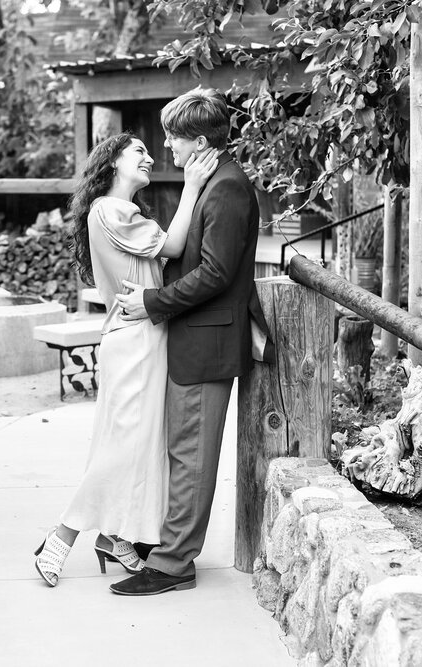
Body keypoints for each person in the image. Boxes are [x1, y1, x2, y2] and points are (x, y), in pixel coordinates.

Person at [33, 132, 220, 587]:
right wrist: (192, 187)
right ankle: (61, 536)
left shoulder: (115, 212)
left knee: (136, 446)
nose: (150, 157)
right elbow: (174, 249)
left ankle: (116, 537)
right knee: (122, 446)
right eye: (139, 151)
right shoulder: (113, 210)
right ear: (113, 162)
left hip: (140, 334)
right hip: (137, 337)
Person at [110, 88, 262, 596]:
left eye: (172, 139)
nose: (166, 149)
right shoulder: (214, 182)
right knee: (181, 450)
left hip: (207, 341)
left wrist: (154, 302)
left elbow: (216, 273)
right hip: (193, 338)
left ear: (198, 142)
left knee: (192, 455)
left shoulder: (228, 188)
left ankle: (176, 564)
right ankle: (170, 545)